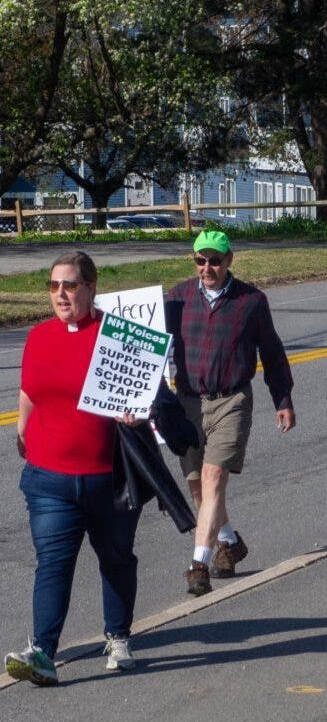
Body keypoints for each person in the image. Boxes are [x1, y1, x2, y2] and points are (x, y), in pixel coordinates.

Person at [6, 252, 142, 685]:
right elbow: (30, 389)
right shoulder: (39, 336)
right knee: (53, 563)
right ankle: (43, 651)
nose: (60, 294)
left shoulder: (117, 337)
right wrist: (23, 429)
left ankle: (118, 637)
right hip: (49, 479)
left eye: (69, 285)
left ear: (91, 287)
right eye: (53, 286)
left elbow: (145, 394)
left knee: (116, 558)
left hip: (108, 478)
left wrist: (136, 413)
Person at [165, 230, 296, 596]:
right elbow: (149, 347)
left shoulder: (251, 301)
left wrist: (282, 398)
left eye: (215, 260)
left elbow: (271, 352)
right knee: (197, 486)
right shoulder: (177, 298)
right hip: (188, 401)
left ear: (229, 260)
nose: (208, 267)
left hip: (231, 400)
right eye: (201, 260)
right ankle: (229, 542)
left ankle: (198, 565)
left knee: (213, 477)